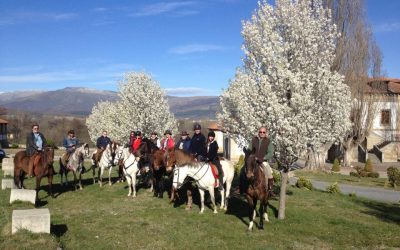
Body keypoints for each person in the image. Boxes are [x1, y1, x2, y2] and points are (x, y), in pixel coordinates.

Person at [241, 126, 275, 196]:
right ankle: (241, 187)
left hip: (263, 161)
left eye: (263, 132)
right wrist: (248, 155)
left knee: (269, 173)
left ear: (266, 133)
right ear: (258, 132)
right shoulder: (254, 140)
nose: (262, 133)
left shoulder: (268, 141)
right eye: (260, 132)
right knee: (242, 170)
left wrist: (263, 158)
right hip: (253, 160)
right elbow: (249, 149)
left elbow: (270, 153)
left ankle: (270, 189)